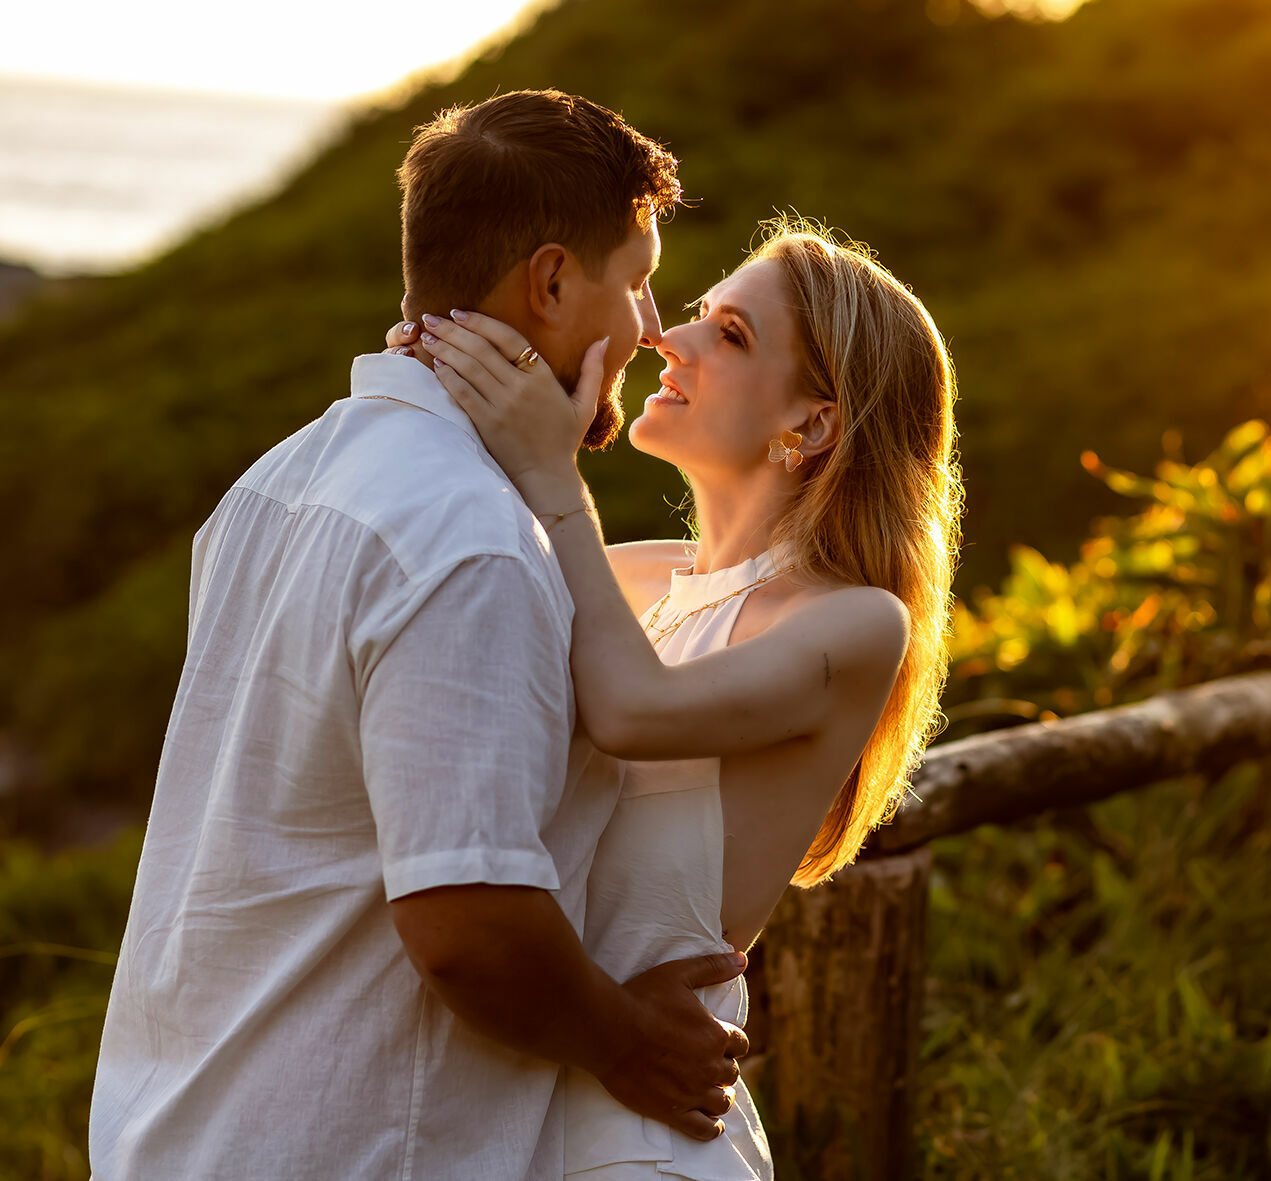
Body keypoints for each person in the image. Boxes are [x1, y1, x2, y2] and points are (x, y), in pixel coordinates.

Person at [89, 90, 751, 1181]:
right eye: (635, 278)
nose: (647, 322)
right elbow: (470, 924)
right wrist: (632, 1042)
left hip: (176, 1131)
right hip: (338, 1149)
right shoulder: (470, 541)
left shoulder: (280, 478)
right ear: (548, 283)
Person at [387, 216, 962, 1177]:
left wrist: (550, 474)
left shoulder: (854, 623)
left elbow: (631, 711)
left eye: (730, 334)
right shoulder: (639, 577)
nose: (669, 338)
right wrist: (443, 370)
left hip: (644, 1135)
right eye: (698, 313)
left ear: (813, 423)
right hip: (522, 1098)